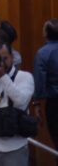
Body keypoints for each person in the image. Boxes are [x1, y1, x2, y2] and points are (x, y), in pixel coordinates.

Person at [33, 19, 58, 148]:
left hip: (54, 103)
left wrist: (37, 103)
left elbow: (39, 80)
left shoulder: (43, 53)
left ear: (46, 33)